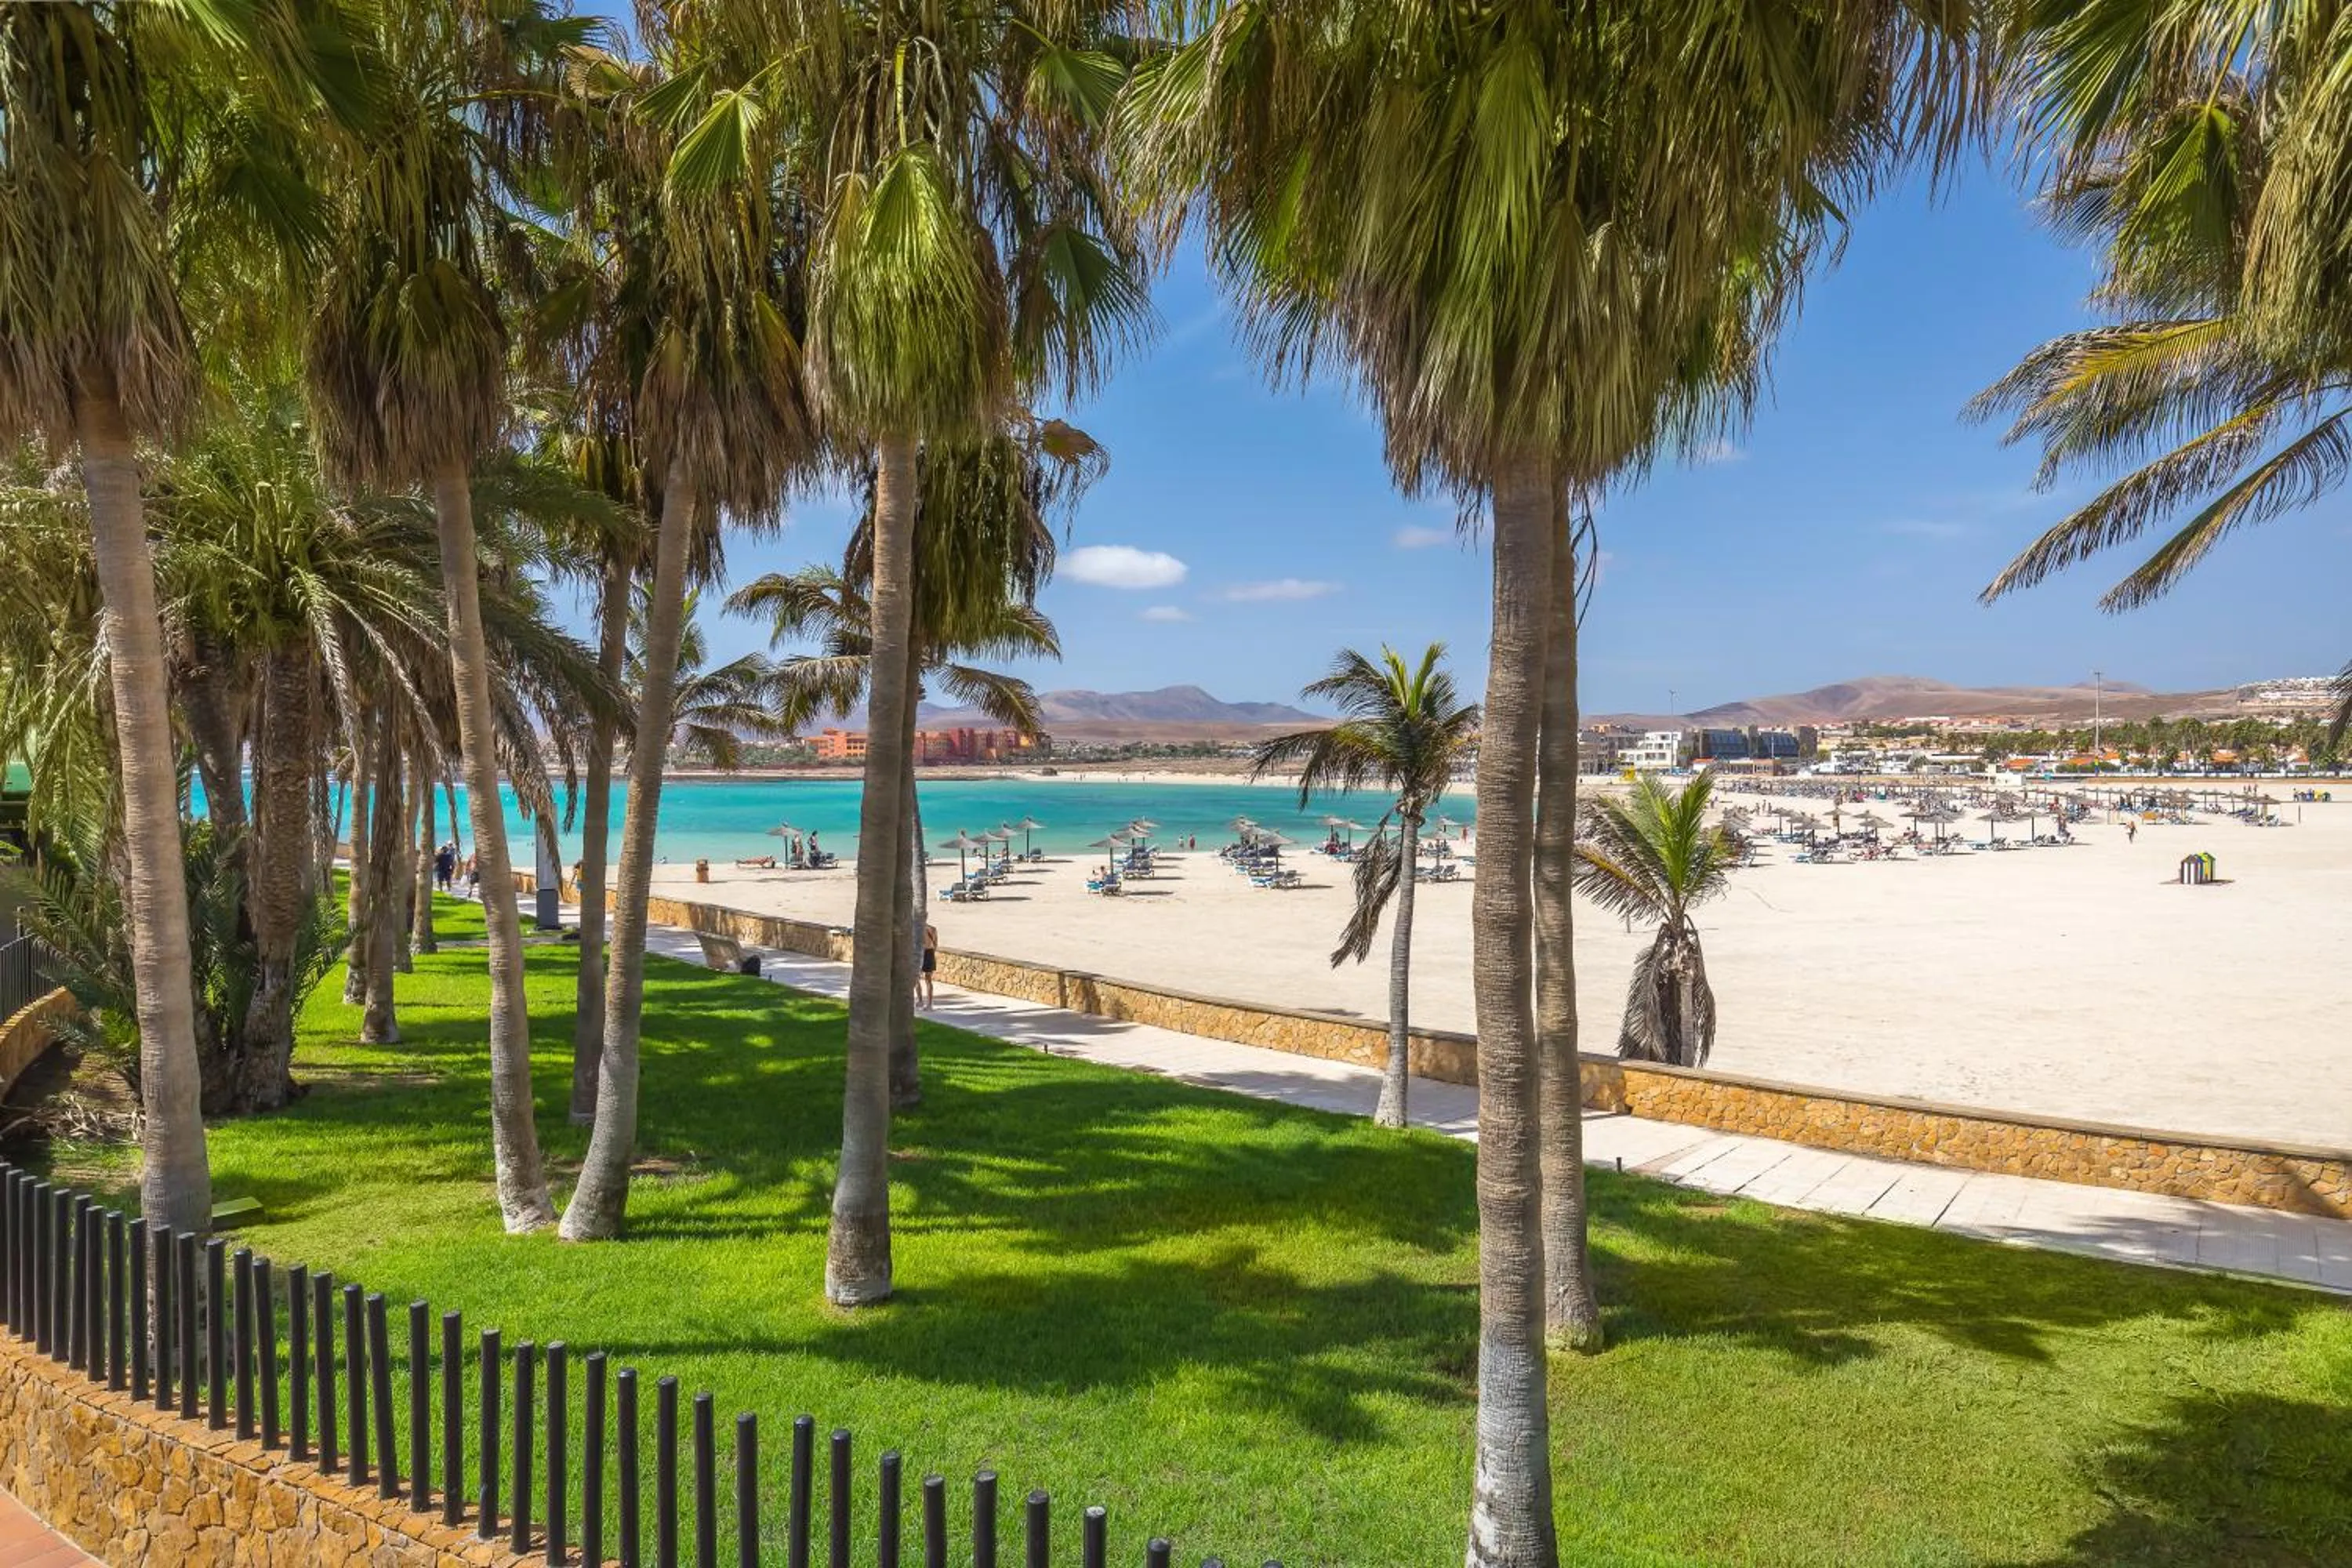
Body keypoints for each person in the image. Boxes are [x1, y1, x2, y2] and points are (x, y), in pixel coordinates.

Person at [916, 920, 939, 1008]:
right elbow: (936, 944)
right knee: (928, 980)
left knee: (917, 978)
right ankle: (929, 1004)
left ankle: (920, 1001)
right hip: (930, 953)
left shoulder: (917, 929)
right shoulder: (933, 929)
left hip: (921, 953)